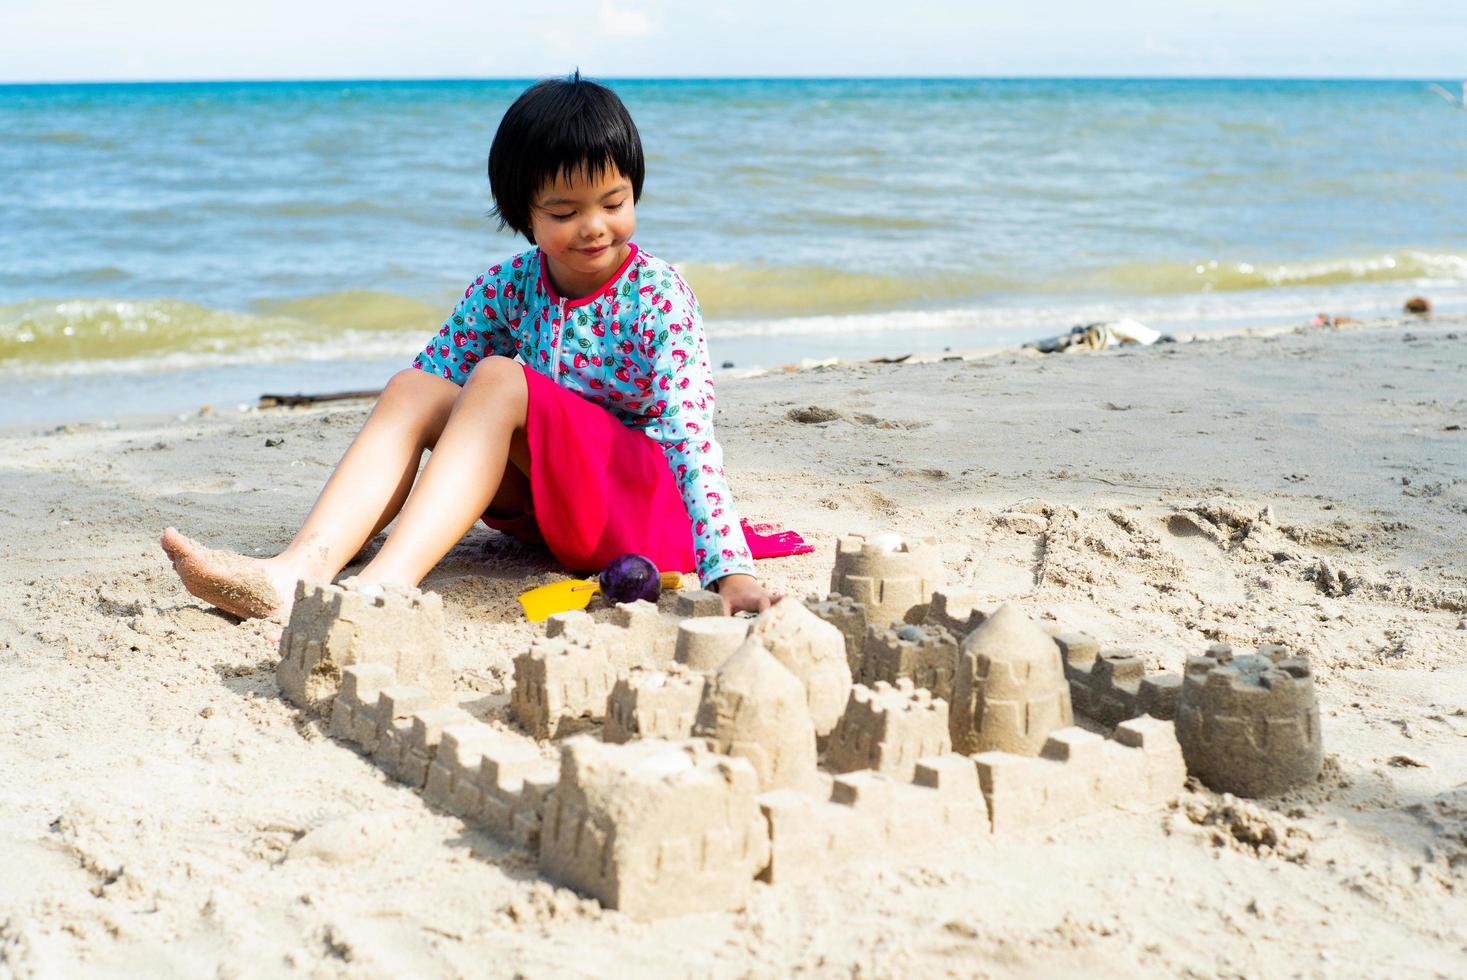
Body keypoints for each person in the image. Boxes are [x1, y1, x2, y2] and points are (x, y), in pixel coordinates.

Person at [161, 72, 776, 619]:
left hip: (638, 510)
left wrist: (730, 568)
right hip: (549, 512)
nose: (593, 225)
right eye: (564, 211)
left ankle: (385, 584)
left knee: (499, 378)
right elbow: (429, 399)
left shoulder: (658, 294)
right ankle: (298, 568)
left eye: (613, 203)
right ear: (523, 215)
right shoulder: (507, 285)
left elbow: (689, 434)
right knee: (413, 388)